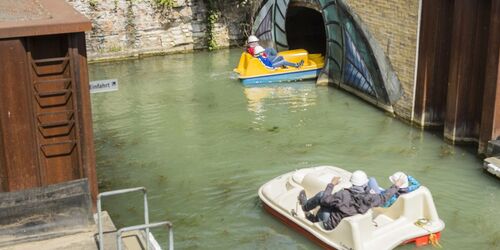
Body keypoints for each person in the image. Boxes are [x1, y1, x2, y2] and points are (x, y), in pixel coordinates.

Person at [297, 170, 405, 230]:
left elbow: (324, 200)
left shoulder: (342, 194)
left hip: (332, 226)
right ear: (365, 184)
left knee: (321, 195)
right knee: (329, 202)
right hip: (351, 222)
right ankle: (310, 212)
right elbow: (384, 197)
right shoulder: (370, 199)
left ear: (352, 183)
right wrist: (396, 186)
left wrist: (331, 184)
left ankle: (306, 207)